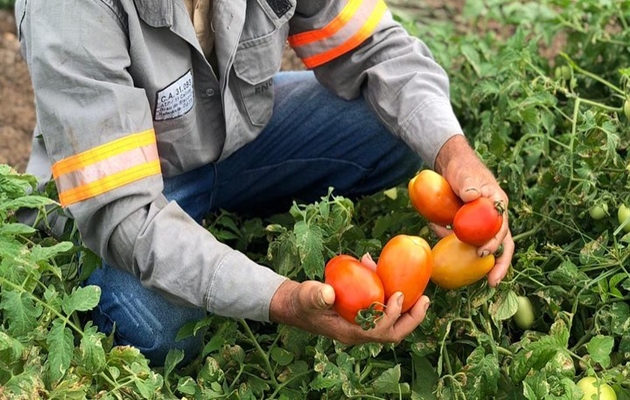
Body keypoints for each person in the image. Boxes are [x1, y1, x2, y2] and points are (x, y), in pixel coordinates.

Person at [15, 0, 514, 366]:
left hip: (229, 144)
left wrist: (458, 158)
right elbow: (125, 215)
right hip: (121, 195)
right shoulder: (69, 8)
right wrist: (281, 299)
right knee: (166, 334)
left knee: (394, 128)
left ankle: (208, 228)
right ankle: (182, 253)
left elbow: (377, 49)